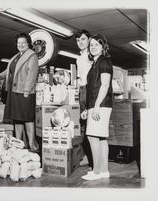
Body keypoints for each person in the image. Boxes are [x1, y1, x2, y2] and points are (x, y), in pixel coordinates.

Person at [0, 33, 39, 152]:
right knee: (17, 119)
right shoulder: (17, 56)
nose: (20, 45)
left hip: (25, 92)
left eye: (23, 42)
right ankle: (20, 144)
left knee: (28, 119)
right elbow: (8, 72)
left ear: (28, 43)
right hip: (14, 92)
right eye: (18, 43)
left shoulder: (32, 56)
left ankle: (33, 145)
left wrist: (27, 90)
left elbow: (32, 74)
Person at [81, 34, 113, 180]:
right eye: (91, 44)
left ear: (103, 46)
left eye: (97, 44)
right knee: (101, 138)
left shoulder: (104, 61)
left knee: (92, 136)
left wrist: (96, 106)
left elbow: (105, 85)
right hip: (98, 104)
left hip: (100, 104)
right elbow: (94, 87)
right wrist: (88, 108)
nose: (93, 47)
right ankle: (104, 171)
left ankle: (97, 172)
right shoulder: (96, 62)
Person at [74, 30, 93, 167]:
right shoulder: (79, 58)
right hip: (82, 90)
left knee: (90, 126)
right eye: (78, 40)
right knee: (84, 125)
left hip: (89, 90)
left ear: (89, 40)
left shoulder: (90, 56)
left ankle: (92, 159)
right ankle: (88, 156)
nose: (80, 42)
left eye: (83, 39)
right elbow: (81, 78)